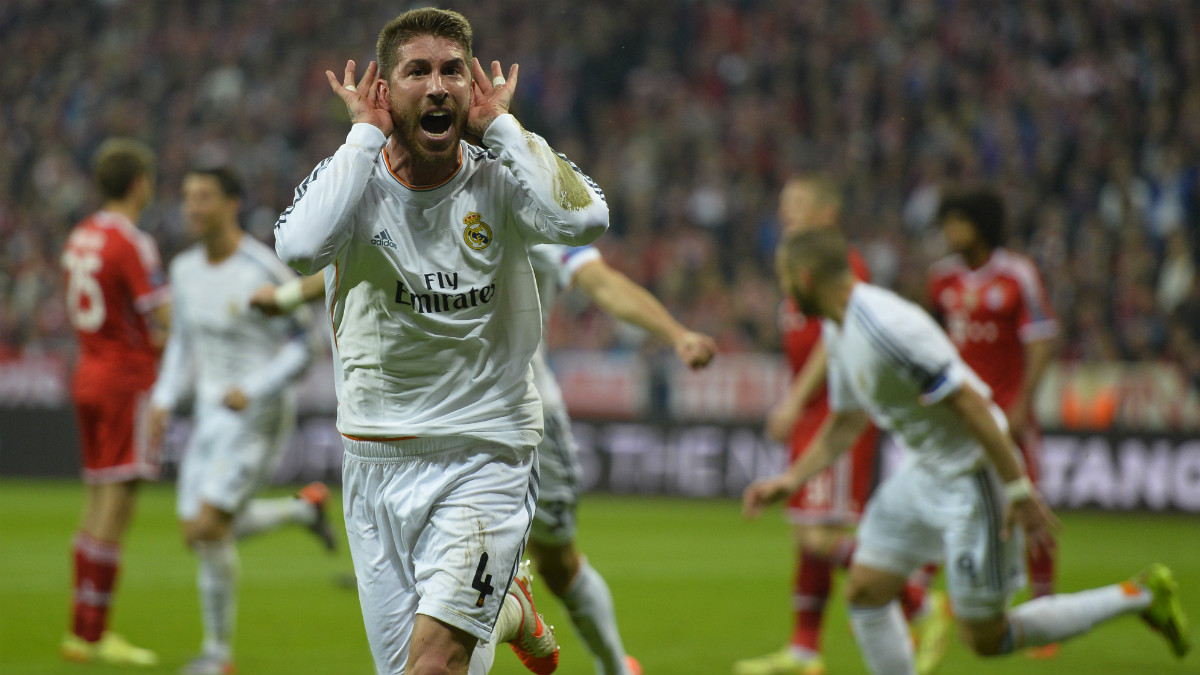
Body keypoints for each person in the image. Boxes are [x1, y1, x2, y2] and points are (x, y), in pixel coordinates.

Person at [272, 8, 608, 675]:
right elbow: (298, 249)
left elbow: (588, 218)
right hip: (374, 459)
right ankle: (509, 609)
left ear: (472, 84)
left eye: (453, 70)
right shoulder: (354, 182)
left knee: (435, 666)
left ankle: (501, 605)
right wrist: (361, 138)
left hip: (486, 454)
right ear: (383, 91)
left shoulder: (499, 177)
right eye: (416, 71)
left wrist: (505, 128)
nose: (437, 86)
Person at [744, 228, 1191, 675]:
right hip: (924, 472)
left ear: (803, 278)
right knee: (865, 590)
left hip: (974, 473)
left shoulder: (885, 328)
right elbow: (846, 421)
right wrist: (791, 479)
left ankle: (1141, 595)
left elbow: (971, 404)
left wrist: (1017, 488)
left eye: (784, 280)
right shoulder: (837, 329)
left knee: (985, 638)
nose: (783, 292)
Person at [735, 176, 944, 675]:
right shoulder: (795, 261)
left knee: (821, 538)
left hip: (837, 410)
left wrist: (794, 400)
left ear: (827, 214)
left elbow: (835, 338)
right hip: (816, 412)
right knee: (805, 534)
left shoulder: (839, 266)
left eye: (799, 206)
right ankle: (805, 650)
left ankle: (918, 599)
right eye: (784, 205)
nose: (787, 214)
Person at [148, 167, 332, 675]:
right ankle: (303, 512)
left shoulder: (262, 268)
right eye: (188, 197)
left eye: (205, 197)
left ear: (232, 204)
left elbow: (306, 347)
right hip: (209, 411)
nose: (194, 207)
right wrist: (163, 399)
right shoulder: (184, 269)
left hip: (257, 415)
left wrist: (252, 389)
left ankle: (218, 655)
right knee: (195, 531)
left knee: (209, 527)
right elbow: (183, 342)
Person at [528, 243, 716, 675]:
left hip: (527, 417)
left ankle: (616, 667)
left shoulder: (534, 200)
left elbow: (603, 283)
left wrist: (677, 334)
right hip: (441, 421)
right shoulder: (407, 198)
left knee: (557, 564)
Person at [927, 187, 1061, 658]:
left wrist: (1024, 402)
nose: (947, 232)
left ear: (979, 224)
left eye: (955, 221)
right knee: (944, 503)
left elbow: (1041, 340)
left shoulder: (1017, 274)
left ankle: (1046, 609)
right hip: (959, 416)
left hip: (1007, 413)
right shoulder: (940, 280)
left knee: (1028, 505)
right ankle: (935, 602)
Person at [59, 137, 169, 667]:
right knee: (114, 507)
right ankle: (93, 632)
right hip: (126, 381)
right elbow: (161, 319)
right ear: (139, 183)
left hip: (88, 374)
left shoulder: (81, 236)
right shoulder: (132, 243)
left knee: (95, 500)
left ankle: (81, 628)